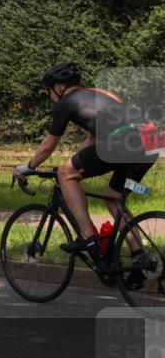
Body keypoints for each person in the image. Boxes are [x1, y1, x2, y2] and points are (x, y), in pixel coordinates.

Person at [13, 63, 158, 274]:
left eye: (49, 89)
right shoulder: (98, 95)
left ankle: (88, 237)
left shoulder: (66, 103)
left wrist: (28, 167)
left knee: (66, 174)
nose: (49, 94)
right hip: (150, 143)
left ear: (60, 86)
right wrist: (71, 163)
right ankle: (140, 258)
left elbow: (48, 145)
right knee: (113, 198)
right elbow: (93, 140)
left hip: (123, 143)